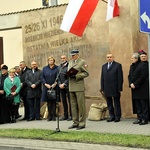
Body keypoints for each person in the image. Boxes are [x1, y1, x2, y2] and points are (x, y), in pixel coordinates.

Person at [68, 49, 89, 130]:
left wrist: (76, 76)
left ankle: (82, 123)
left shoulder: (82, 62)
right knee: (73, 106)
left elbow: (86, 73)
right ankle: (75, 122)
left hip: (79, 86)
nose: (72, 57)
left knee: (81, 105)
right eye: (71, 55)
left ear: (77, 55)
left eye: (73, 55)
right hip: (71, 86)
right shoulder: (70, 62)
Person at [101, 52, 123, 122]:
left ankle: (117, 116)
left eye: (110, 57)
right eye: (108, 57)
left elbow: (120, 77)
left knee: (116, 103)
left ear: (113, 58)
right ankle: (112, 116)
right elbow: (102, 77)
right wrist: (102, 87)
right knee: (109, 103)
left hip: (115, 87)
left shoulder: (118, 65)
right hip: (107, 88)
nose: (109, 58)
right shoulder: (104, 66)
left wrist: (119, 88)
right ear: (106, 58)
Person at [128, 53, 149, 125]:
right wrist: (130, 83)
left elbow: (142, 76)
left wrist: (135, 84)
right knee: (137, 104)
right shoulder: (131, 66)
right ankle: (139, 118)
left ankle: (145, 119)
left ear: (137, 59)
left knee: (143, 104)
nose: (131, 60)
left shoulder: (143, 65)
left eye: (132, 58)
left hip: (142, 88)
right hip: (134, 88)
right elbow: (129, 76)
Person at [41, 56, 59, 121]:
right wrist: (45, 84)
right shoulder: (45, 68)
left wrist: (55, 83)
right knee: (48, 102)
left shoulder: (57, 68)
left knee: (54, 102)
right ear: (48, 61)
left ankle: (54, 115)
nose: (51, 61)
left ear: (54, 61)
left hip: (54, 87)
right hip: (47, 87)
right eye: (49, 60)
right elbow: (42, 77)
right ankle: (49, 116)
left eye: (52, 60)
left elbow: (58, 76)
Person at [58, 55, 72, 121]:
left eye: (64, 58)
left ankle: (71, 115)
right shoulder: (59, 67)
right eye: (61, 58)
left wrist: (64, 84)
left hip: (68, 86)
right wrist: (60, 84)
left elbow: (69, 77)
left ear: (66, 58)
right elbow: (57, 77)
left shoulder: (69, 66)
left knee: (70, 101)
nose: (62, 59)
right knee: (64, 101)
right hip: (61, 86)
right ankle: (65, 115)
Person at [138, 50, 150, 121]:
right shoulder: (138, 65)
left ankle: (146, 117)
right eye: (142, 56)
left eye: (145, 56)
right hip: (140, 87)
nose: (143, 57)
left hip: (146, 86)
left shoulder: (148, 64)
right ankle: (141, 117)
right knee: (141, 103)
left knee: (145, 103)